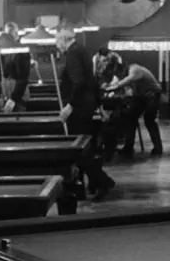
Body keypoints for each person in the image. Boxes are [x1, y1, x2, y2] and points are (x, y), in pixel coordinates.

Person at [54, 26, 116, 200]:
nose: (56, 45)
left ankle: (102, 182)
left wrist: (70, 106)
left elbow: (79, 82)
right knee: (83, 149)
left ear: (64, 40)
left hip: (79, 108)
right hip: (86, 105)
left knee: (78, 150)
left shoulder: (73, 53)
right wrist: (99, 105)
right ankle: (89, 185)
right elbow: (91, 80)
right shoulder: (82, 50)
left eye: (57, 41)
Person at [102, 55, 164, 157]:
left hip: (152, 94)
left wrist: (113, 87)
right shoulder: (125, 73)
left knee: (149, 120)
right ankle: (128, 148)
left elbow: (129, 80)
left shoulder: (135, 69)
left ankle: (158, 148)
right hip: (141, 96)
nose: (118, 75)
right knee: (130, 119)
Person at [0, 22, 31, 113]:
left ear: (17, 35)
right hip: (6, 91)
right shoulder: (2, 51)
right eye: (6, 35)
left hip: (19, 94)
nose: (8, 38)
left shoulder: (23, 51)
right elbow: (1, 75)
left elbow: (23, 79)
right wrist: (1, 95)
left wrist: (13, 99)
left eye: (11, 34)